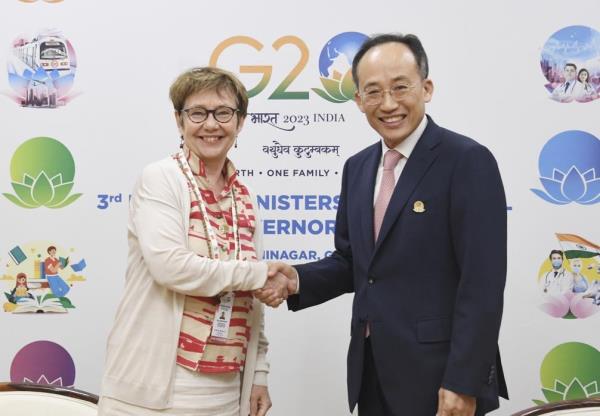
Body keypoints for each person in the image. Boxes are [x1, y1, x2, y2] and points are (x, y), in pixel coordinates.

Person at [260, 33, 508, 416]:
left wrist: (463, 381)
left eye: (400, 87)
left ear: (426, 88)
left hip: (441, 377)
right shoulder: (357, 168)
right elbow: (354, 262)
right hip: (372, 371)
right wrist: (297, 278)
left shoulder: (466, 161)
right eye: (373, 91)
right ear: (358, 100)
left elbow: (482, 284)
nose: (388, 104)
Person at [98, 67, 289, 416]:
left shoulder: (245, 198)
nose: (211, 125)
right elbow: (170, 267)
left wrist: (259, 371)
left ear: (240, 121)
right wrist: (259, 273)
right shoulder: (161, 179)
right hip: (155, 387)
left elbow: (253, 301)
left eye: (224, 113)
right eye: (197, 113)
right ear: (179, 120)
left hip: (227, 388)